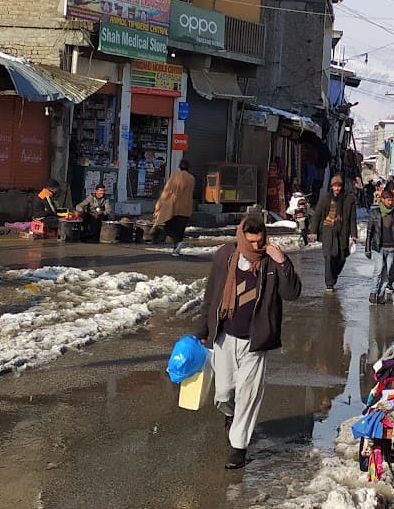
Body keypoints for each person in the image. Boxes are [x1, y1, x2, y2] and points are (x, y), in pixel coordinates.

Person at [194, 214, 302, 469]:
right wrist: (201, 329)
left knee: (248, 394)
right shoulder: (226, 256)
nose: (256, 247)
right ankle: (230, 416)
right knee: (223, 392)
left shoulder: (272, 261)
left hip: (255, 341)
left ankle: (238, 447)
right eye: (251, 242)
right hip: (225, 336)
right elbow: (211, 294)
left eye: (260, 241)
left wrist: (283, 261)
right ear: (242, 237)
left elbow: (292, 293)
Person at [308, 175, 357, 293]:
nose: (337, 189)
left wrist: (354, 234)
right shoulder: (325, 199)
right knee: (329, 256)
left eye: (339, 186)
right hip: (328, 230)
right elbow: (317, 215)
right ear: (332, 187)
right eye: (335, 186)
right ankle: (329, 283)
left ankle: (333, 275)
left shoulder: (349, 199)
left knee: (341, 257)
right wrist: (313, 231)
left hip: (342, 231)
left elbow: (352, 219)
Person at [364, 188, 394, 304]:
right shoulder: (375, 213)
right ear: (382, 199)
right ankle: (373, 293)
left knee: (386, 273)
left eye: (391, 200)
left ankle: (381, 294)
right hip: (378, 247)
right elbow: (369, 232)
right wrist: (367, 249)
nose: (390, 202)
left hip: (392, 248)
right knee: (378, 270)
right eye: (388, 199)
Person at [153, 159, 196, 254]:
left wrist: (160, 203)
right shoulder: (191, 178)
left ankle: (177, 244)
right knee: (180, 229)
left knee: (169, 227)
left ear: (180, 166)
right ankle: (176, 247)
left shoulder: (175, 176)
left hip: (174, 207)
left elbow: (167, 190)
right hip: (186, 208)